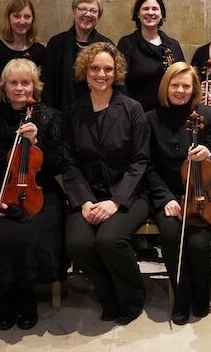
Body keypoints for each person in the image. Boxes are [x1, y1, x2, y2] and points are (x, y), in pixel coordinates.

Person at [0, 59, 64, 331]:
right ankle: (8, 294)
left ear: (35, 86)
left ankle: (26, 293)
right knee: (0, 234)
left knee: (31, 234)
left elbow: (59, 163)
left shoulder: (50, 116)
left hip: (40, 193)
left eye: (25, 82)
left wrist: (36, 143)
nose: (20, 88)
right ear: (3, 87)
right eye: (13, 82)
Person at [62, 42, 151, 325]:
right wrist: (85, 200)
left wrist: (115, 201)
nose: (101, 74)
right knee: (78, 243)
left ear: (117, 72)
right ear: (85, 72)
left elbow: (140, 161)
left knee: (110, 241)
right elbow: (69, 162)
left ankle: (133, 295)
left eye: (108, 69)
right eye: (95, 68)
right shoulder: (73, 112)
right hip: (88, 194)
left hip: (129, 195)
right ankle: (107, 294)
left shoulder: (132, 109)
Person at [145, 62, 211, 324]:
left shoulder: (207, 116)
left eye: (186, 86)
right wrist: (165, 199)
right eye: (175, 85)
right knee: (170, 234)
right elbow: (149, 166)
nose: (180, 90)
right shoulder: (151, 119)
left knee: (199, 243)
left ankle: (201, 295)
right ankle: (182, 297)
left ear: (194, 89)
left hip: (201, 193)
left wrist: (209, 153)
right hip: (166, 193)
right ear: (166, 86)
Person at [42, 0, 112, 111]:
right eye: (82, 9)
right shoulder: (57, 43)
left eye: (93, 11)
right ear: (74, 11)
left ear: (98, 16)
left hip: (96, 113)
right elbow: (47, 84)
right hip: (61, 112)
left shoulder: (106, 45)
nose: (87, 14)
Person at [118, 0, 185, 111]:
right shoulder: (127, 43)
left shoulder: (173, 45)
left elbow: (183, 78)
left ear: (161, 14)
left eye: (155, 9)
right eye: (145, 9)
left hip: (169, 112)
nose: (150, 12)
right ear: (138, 14)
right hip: (138, 113)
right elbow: (120, 82)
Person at [0, 0, 46, 106]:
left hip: (31, 113)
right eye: (17, 16)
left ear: (32, 19)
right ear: (8, 18)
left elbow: (42, 88)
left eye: (27, 17)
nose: (22, 21)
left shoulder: (39, 51)